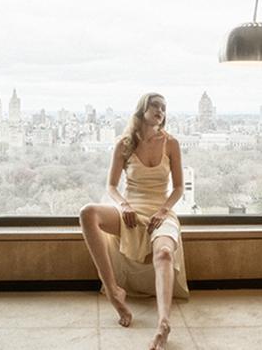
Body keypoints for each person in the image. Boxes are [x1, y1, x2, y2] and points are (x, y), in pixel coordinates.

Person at [79, 92, 189, 350]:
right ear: (142, 109)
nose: (160, 111)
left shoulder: (171, 143)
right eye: (155, 106)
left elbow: (179, 188)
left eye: (164, 108)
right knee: (87, 213)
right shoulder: (124, 143)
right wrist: (123, 205)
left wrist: (163, 210)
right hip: (130, 209)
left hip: (161, 211)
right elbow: (111, 186)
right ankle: (113, 291)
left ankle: (163, 324)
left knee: (164, 253)